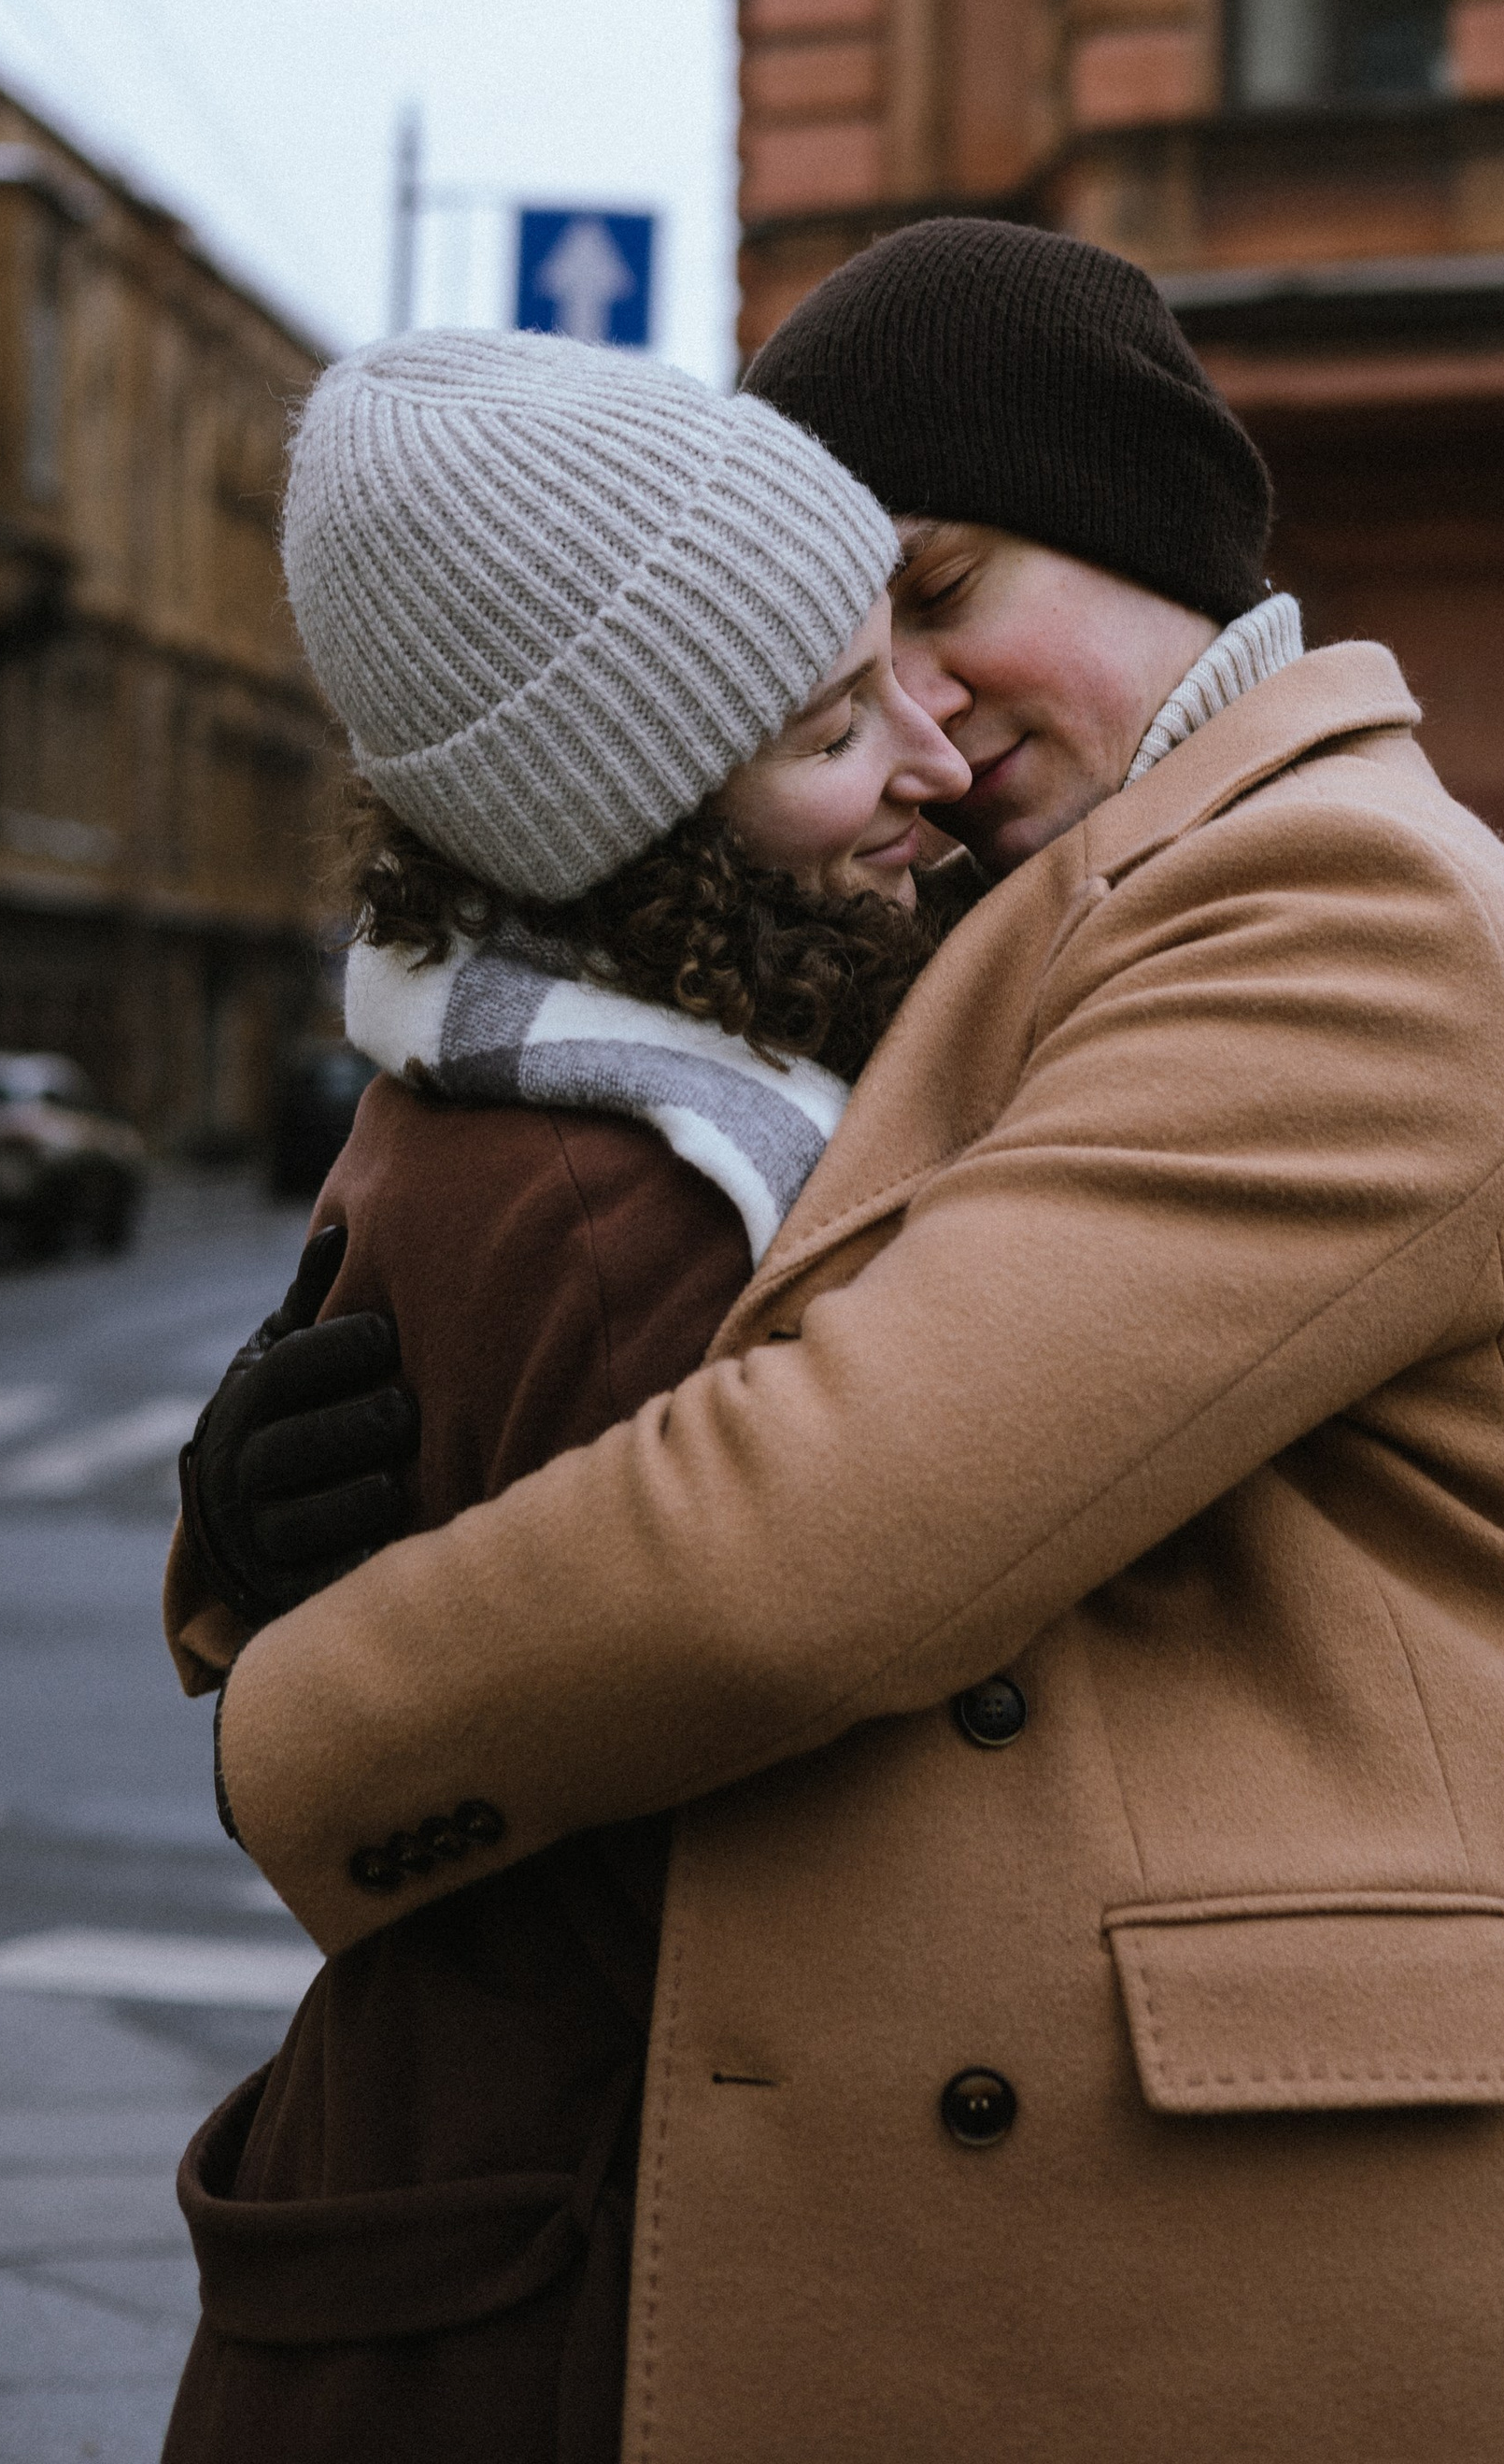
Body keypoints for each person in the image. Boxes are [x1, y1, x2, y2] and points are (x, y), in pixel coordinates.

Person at [171, 221, 1504, 2464]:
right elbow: (560, 1258)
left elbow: (821, 1517)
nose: (903, 700)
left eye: (938, 587)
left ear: (1138, 538)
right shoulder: (1008, 907)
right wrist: (258, 1515)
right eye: (832, 638)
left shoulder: (1335, 902)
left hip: (1262, 2209)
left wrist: (284, 1725)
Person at [163, 325, 969, 2461]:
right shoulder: (648, 1195)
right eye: (830, 726)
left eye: (905, 660)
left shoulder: (532, 1063)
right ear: (631, 813)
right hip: (564, 2281)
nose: (936, 761)